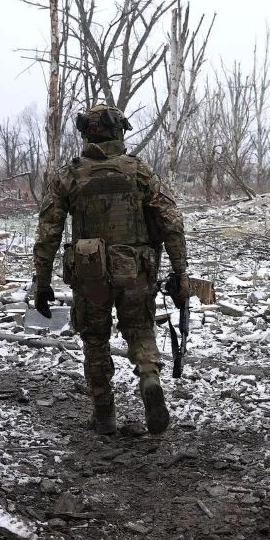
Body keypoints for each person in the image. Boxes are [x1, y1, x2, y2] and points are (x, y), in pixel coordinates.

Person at [32, 103, 189, 435]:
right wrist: (181, 273)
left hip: (90, 276)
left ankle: (104, 415)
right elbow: (171, 222)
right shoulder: (139, 171)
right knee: (140, 329)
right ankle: (148, 376)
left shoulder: (68, 175)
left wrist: (42, 282)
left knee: (95, 339)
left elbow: (48, 232)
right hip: (136, 270)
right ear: (119, 132)